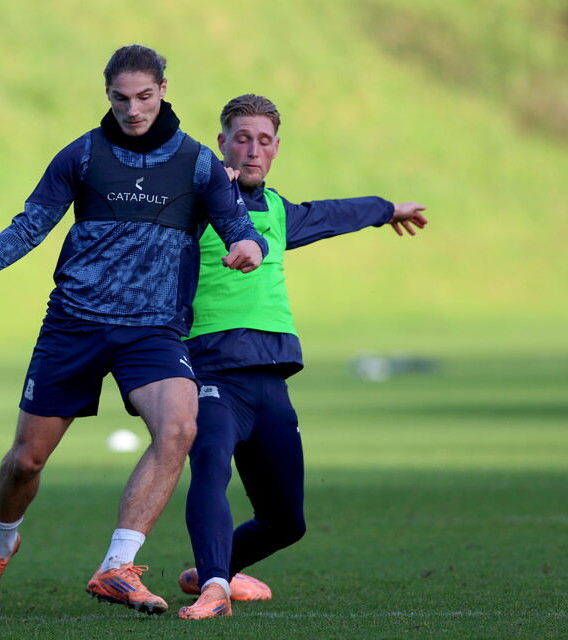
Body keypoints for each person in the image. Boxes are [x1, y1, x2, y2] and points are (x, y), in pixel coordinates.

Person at [0, 47, 270, 616]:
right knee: (26, 462)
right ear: (108, 96)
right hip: (74, 323)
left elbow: (237, 222)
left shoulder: (197, 162)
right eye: (121, 98)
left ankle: (117, 565)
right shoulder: (83, 155)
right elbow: (31, 225)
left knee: (178, 428)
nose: (134, 109)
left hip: (154, 330)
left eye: (145, 96)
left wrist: (250, 245)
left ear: (164, 89)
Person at [175, 94, 428, 619]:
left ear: (276, 149)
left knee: (286, 522)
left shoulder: (279, 212)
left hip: (272, 378)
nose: (252, 150)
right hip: (213, 369)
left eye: (263, 141)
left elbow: (333, 214)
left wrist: (387, 210)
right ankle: (216, 587)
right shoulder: (196, 204)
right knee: (210, 467)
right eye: (241, 138)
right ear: (221, 142)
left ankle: (209, 570)